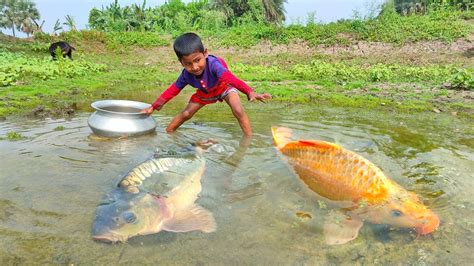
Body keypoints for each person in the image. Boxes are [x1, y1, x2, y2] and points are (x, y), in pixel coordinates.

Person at [141, 32, 271, 136]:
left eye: (197, 60)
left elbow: (231, 79)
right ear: (181, 63)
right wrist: (153, 106)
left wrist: (249, 91)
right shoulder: (186, 75)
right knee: (186, 114)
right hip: (205, 93)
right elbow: (172, 90)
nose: (195, 67)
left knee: (237, 109)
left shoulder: (214, 65)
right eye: (188, 64)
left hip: (223, 87)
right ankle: (168, 133)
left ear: (205, 53)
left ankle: (248, 140)